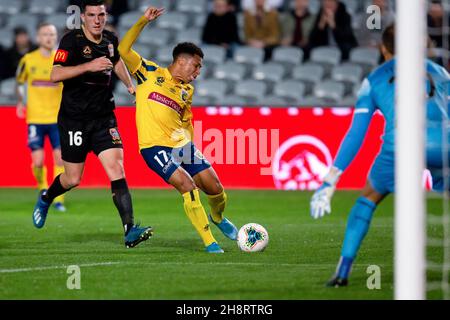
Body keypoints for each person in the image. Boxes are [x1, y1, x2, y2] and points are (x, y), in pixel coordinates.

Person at [310, 25, 450, 287]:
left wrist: (330, 180)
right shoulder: (441, 73)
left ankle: (342, 273)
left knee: (368, 198)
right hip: (444, 145)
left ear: (384, 48)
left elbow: (356, 134)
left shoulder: (375, 79)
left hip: (401, 145)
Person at [31, 0, 153, 249]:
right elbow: (55, 75)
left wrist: (129, 85)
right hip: (74, 119)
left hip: (103, 118)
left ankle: (129, 229)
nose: (97, 19)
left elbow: (117, 60)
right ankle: (46, 197)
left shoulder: (110, 39)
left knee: (117, 168)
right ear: (83, 18)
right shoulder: (71, 41)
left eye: (101, 14)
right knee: (73, 179)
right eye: (92, 15)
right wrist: (89, 66)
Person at [118, 7, 239, 253]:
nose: (197, 72)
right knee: (187, 186)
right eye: (196, 66)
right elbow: (123, 51)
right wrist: (144, 20)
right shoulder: (149, 73)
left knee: (216, 189)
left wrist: (190, 147)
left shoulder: (187, 91)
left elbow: (186, 121)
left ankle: (218, 217)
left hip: (182, 145)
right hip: (154, 147)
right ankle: (210, 242)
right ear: (181, 61)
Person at [16, 23, 66, 212]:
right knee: (37, 161)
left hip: (57, 119)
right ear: (38, 38)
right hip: (35, 118)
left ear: (56, 37)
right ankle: (42, 187)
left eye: (52, 34)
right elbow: (20, 82)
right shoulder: (28, 60)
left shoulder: (62, 60)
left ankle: (59, 199)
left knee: (60, 160)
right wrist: (21, 101)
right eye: (45, 34)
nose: (48, 38)